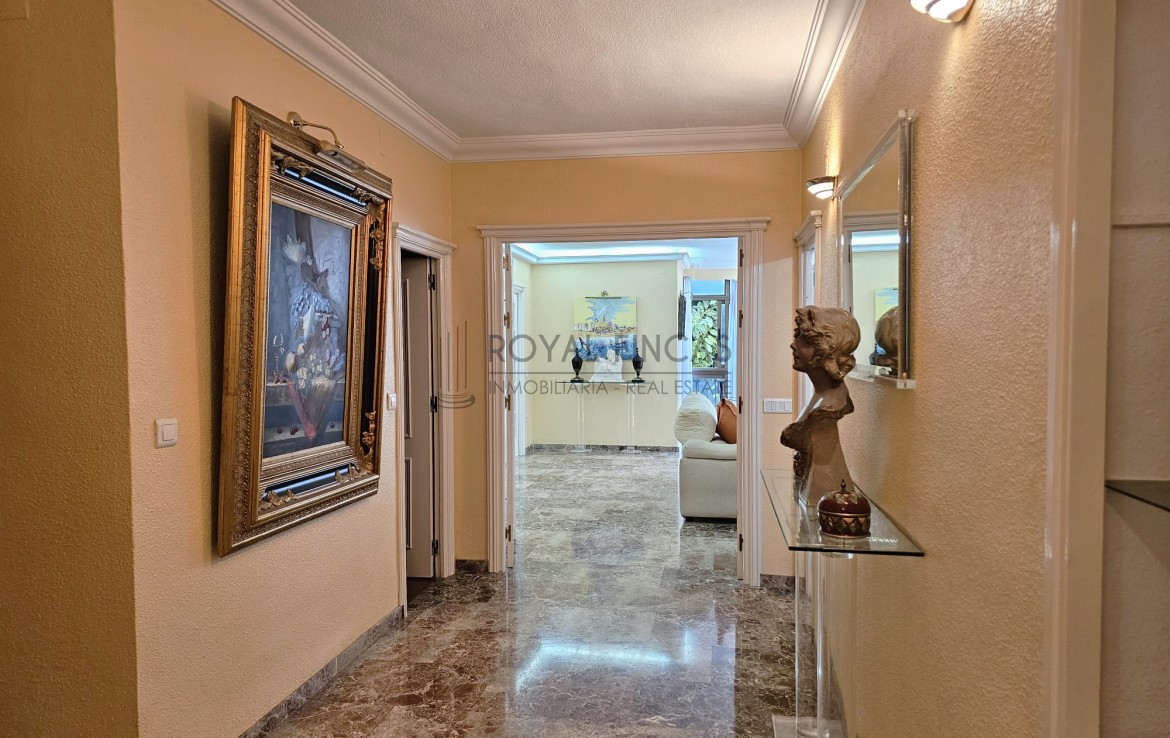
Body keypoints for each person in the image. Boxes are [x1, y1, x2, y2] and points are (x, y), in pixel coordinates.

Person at [780, 306, 861, 506]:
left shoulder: (831, 405)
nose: (793, 345)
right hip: (811, 490)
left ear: (827, 350)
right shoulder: (819, 396)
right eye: (798, 337)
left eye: (806, 341)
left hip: (824, 492)